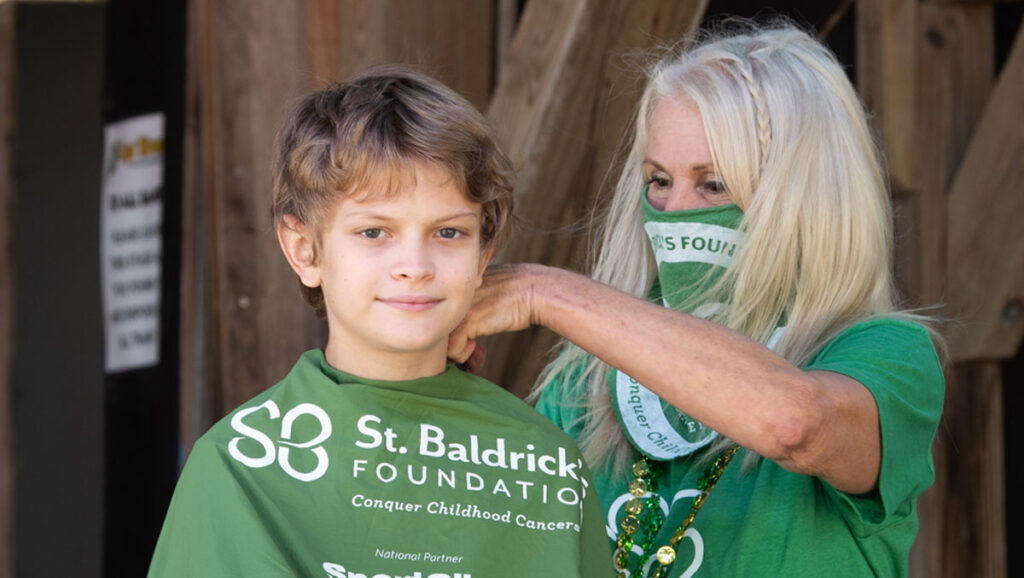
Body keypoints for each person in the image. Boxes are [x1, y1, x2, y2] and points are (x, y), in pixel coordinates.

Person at [449, 20, 945, 578]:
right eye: (659, 181)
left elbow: (795, 424)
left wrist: (546, 291)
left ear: (805, 200)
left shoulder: (888, 356)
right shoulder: (584, 380)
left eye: (714, 184)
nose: (676, 210)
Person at [148, 65, 611, 578]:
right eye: (374, 232)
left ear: (485, 254)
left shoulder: (546, 464)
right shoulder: (239, 464)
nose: (414, 265)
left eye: (449, 233)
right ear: (305, 250)